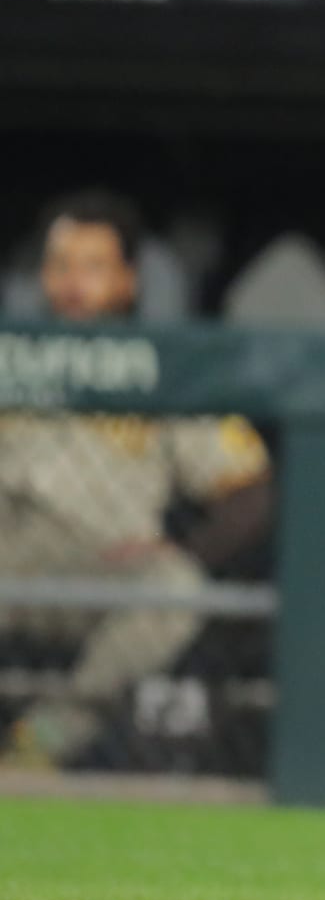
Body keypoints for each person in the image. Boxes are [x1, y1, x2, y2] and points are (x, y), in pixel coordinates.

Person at [0, 190, 271, 769]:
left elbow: (249, 491)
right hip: (6, 553)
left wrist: (182, 547)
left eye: (94, 268)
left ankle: (41, 743)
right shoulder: (10, 357)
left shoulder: (163, 368)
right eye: (62, 266)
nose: (74, 283)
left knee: (175, 586)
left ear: (127, 281)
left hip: (99, 567)